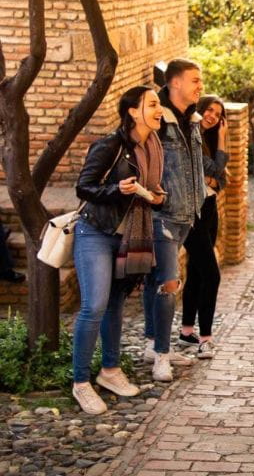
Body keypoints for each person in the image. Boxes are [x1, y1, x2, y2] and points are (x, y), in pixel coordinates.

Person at [72, 86, 167, 414]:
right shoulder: (111, 144)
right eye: (152, 104)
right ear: (132, 111)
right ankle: (80, 383)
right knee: (94, 306)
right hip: (96, 231)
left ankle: (110, 371)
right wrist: (118, 189)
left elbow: (154, 190)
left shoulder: (153, 145)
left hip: (129, 238)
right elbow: (83, 187)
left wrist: (157, 196)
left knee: (114, 305)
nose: (159, 110)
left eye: (159, 105)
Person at [145, 58, 205, 382]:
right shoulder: (157, 119)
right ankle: (162, 358)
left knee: (155, 281)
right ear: (175, 83)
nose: (200, 85)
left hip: (187, 215)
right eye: (195, 80)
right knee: (169, 283)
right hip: (163, 216)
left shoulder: (192, 119)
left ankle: (152, 343)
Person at [178, 96, 229, 360]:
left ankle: (187, 332)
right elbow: (216, 168)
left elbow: (220, 178)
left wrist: (213, 176)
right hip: (193, 215)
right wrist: (213, 172)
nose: (211, 116)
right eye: (209, 110)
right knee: (212, 275)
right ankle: (206, 338)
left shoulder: (208, 139)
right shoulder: (191, 136)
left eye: (218, 114)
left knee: (196, 272)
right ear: (199, 110)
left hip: (210, 212)